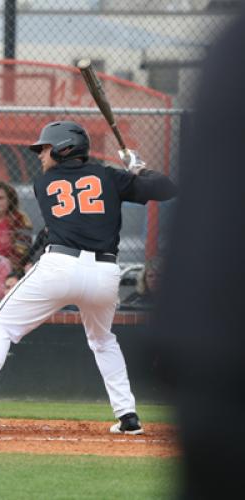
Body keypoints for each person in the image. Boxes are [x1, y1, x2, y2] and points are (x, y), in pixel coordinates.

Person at [0, 120, 177, 433]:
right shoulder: (109, 175)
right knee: (104, 340)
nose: (41, 155)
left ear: (64, 148)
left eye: (46, 148)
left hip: (60, 266)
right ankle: (127, 416)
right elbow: (166, 188)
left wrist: (127, 174)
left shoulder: (45, 183)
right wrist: (138, 169)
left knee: (0, 327)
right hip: (105, 274)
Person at [153, 7, 245, 499]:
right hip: (214, 349)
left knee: (1, 326)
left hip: (211, 356)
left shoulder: (231, 45)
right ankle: (124, 413)